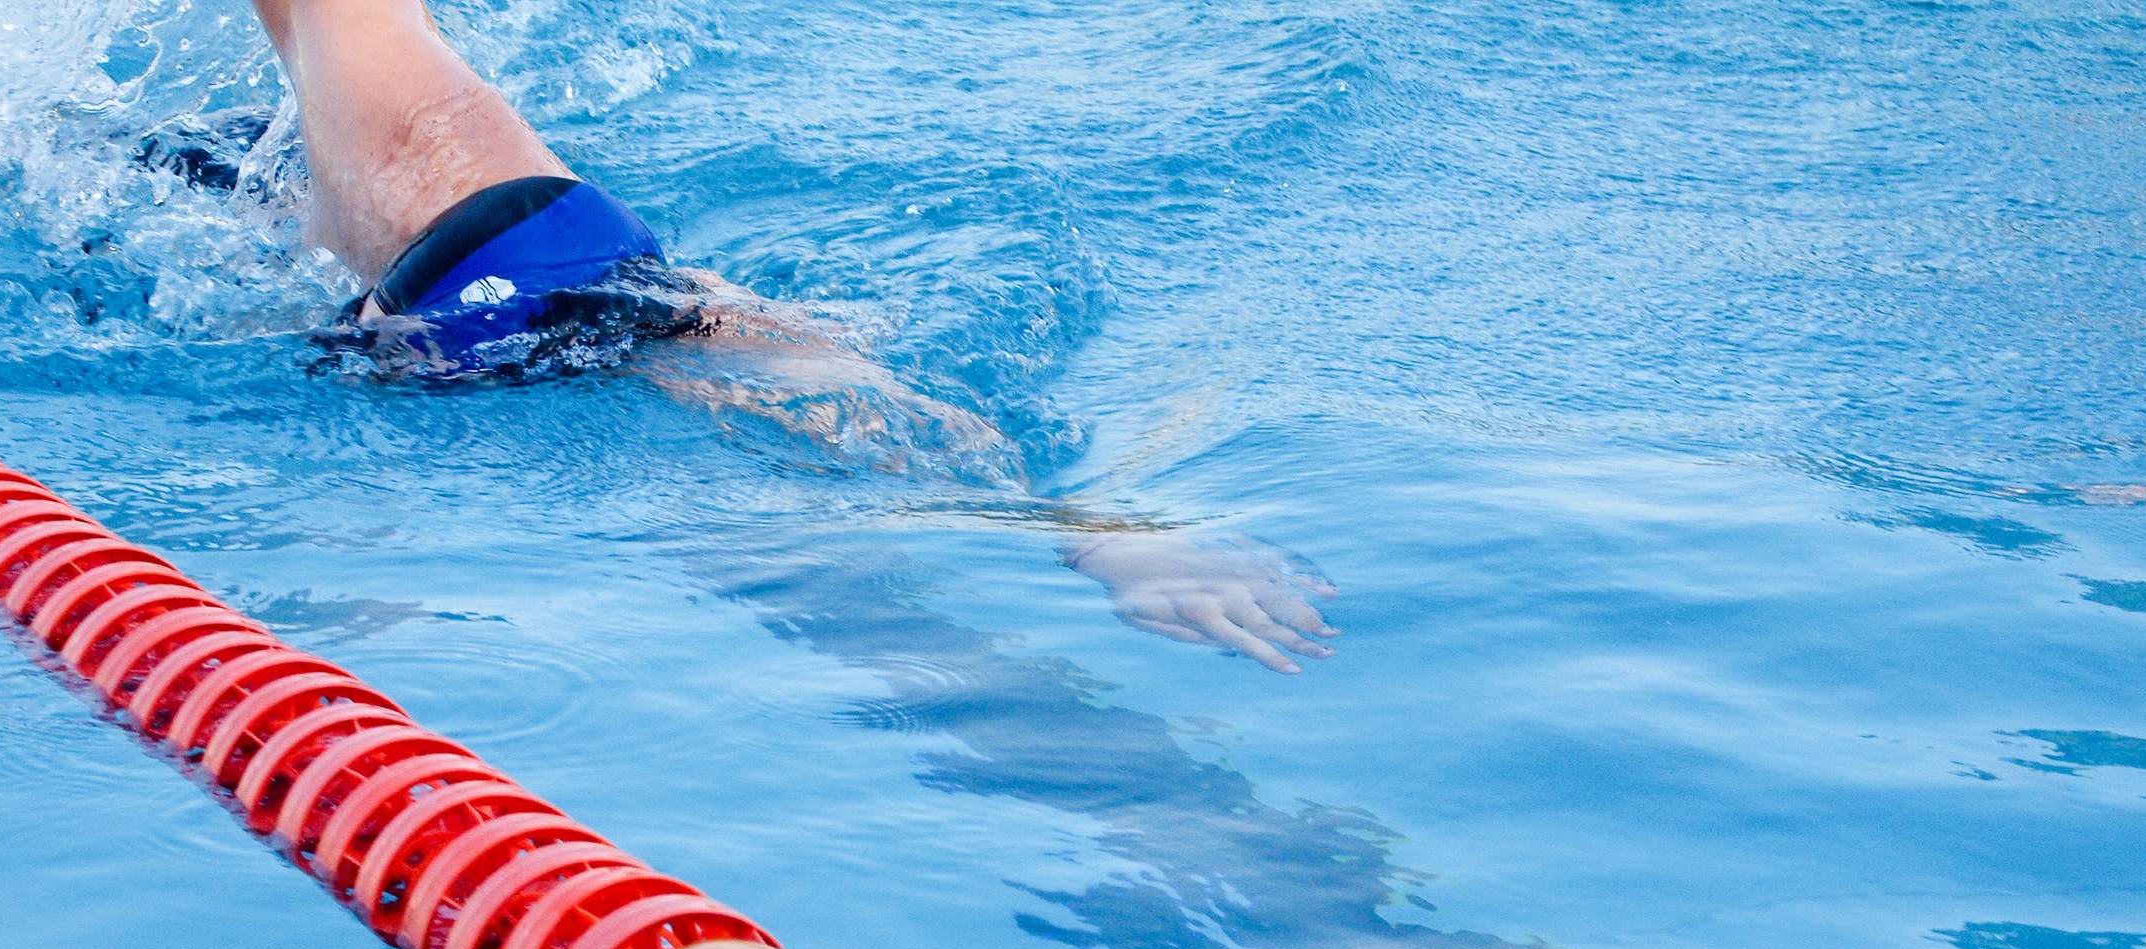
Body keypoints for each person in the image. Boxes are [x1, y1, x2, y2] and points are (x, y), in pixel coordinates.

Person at [244, 0, 1338, 672]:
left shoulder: (395, 111)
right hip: (461, 286)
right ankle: (1082, 526)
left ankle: (1092, 528)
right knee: (732, 354)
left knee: (740, 354)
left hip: (499, 246)